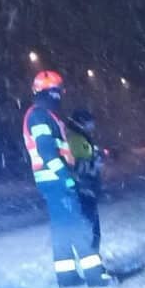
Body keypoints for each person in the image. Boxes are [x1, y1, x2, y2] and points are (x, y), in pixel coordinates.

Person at [22, 71, 108, 288]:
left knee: (63, 227)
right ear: (50, 92)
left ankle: (67, 277)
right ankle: (95, 275)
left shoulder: (45, 115)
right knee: (78, 224)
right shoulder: (40, 116)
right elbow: (47, 152)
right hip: (57, 180)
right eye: (58, 91)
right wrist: (66, 178)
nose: (60, 96)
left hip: (52, 180)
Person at [64, 108, 103, 255]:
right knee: (91, 231)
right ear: (81, 123)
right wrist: (94, 165)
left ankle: (94, 264)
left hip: (87, 188)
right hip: (82, 189)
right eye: (90, 122)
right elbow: (74, 165)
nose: (92, 125)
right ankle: (93, 267)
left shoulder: (81, 137)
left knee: (92, 230)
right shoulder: (75, 139)